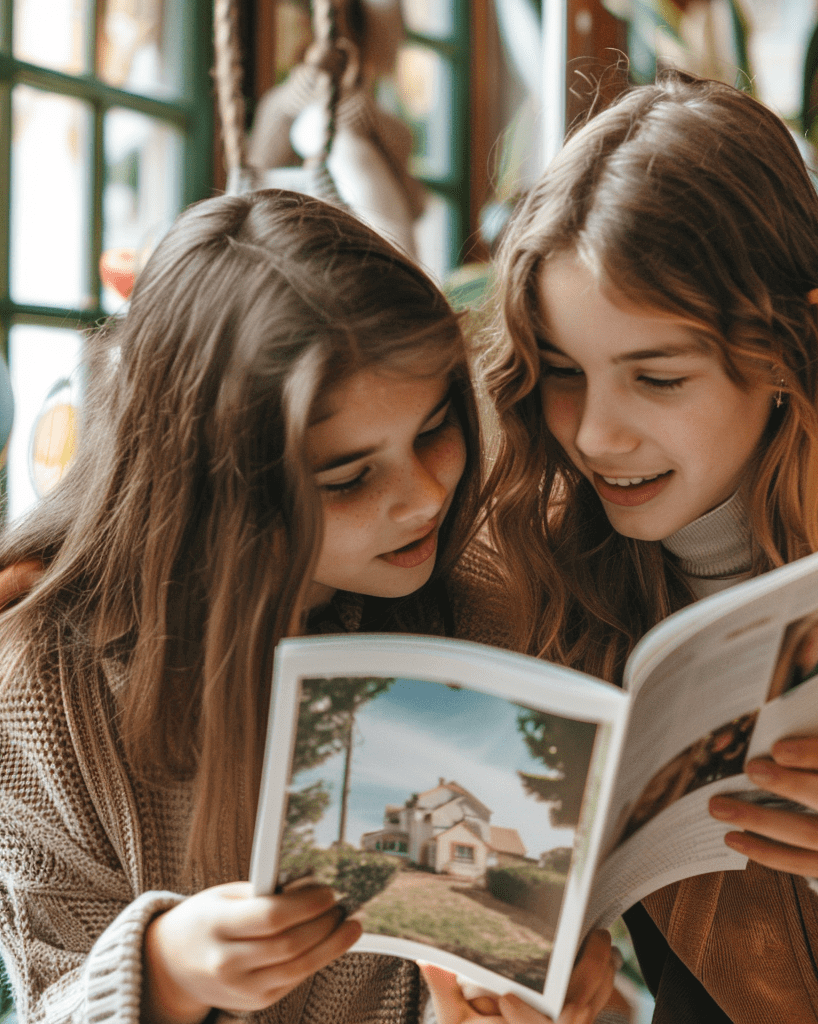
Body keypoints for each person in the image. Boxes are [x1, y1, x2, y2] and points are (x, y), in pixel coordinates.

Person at [482, 70, 818, 1023]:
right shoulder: (553, 557)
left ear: (793, 344)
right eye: (563, 373)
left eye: (656, 378)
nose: (597, 434)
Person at [0, 189, 616, 1024]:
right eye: (349, 477)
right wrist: (163, 973)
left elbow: (472, 956)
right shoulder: (47, 688)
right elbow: (48, 993)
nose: (426, 494)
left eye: (435, 429)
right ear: (210, 490)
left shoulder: (484, 610)